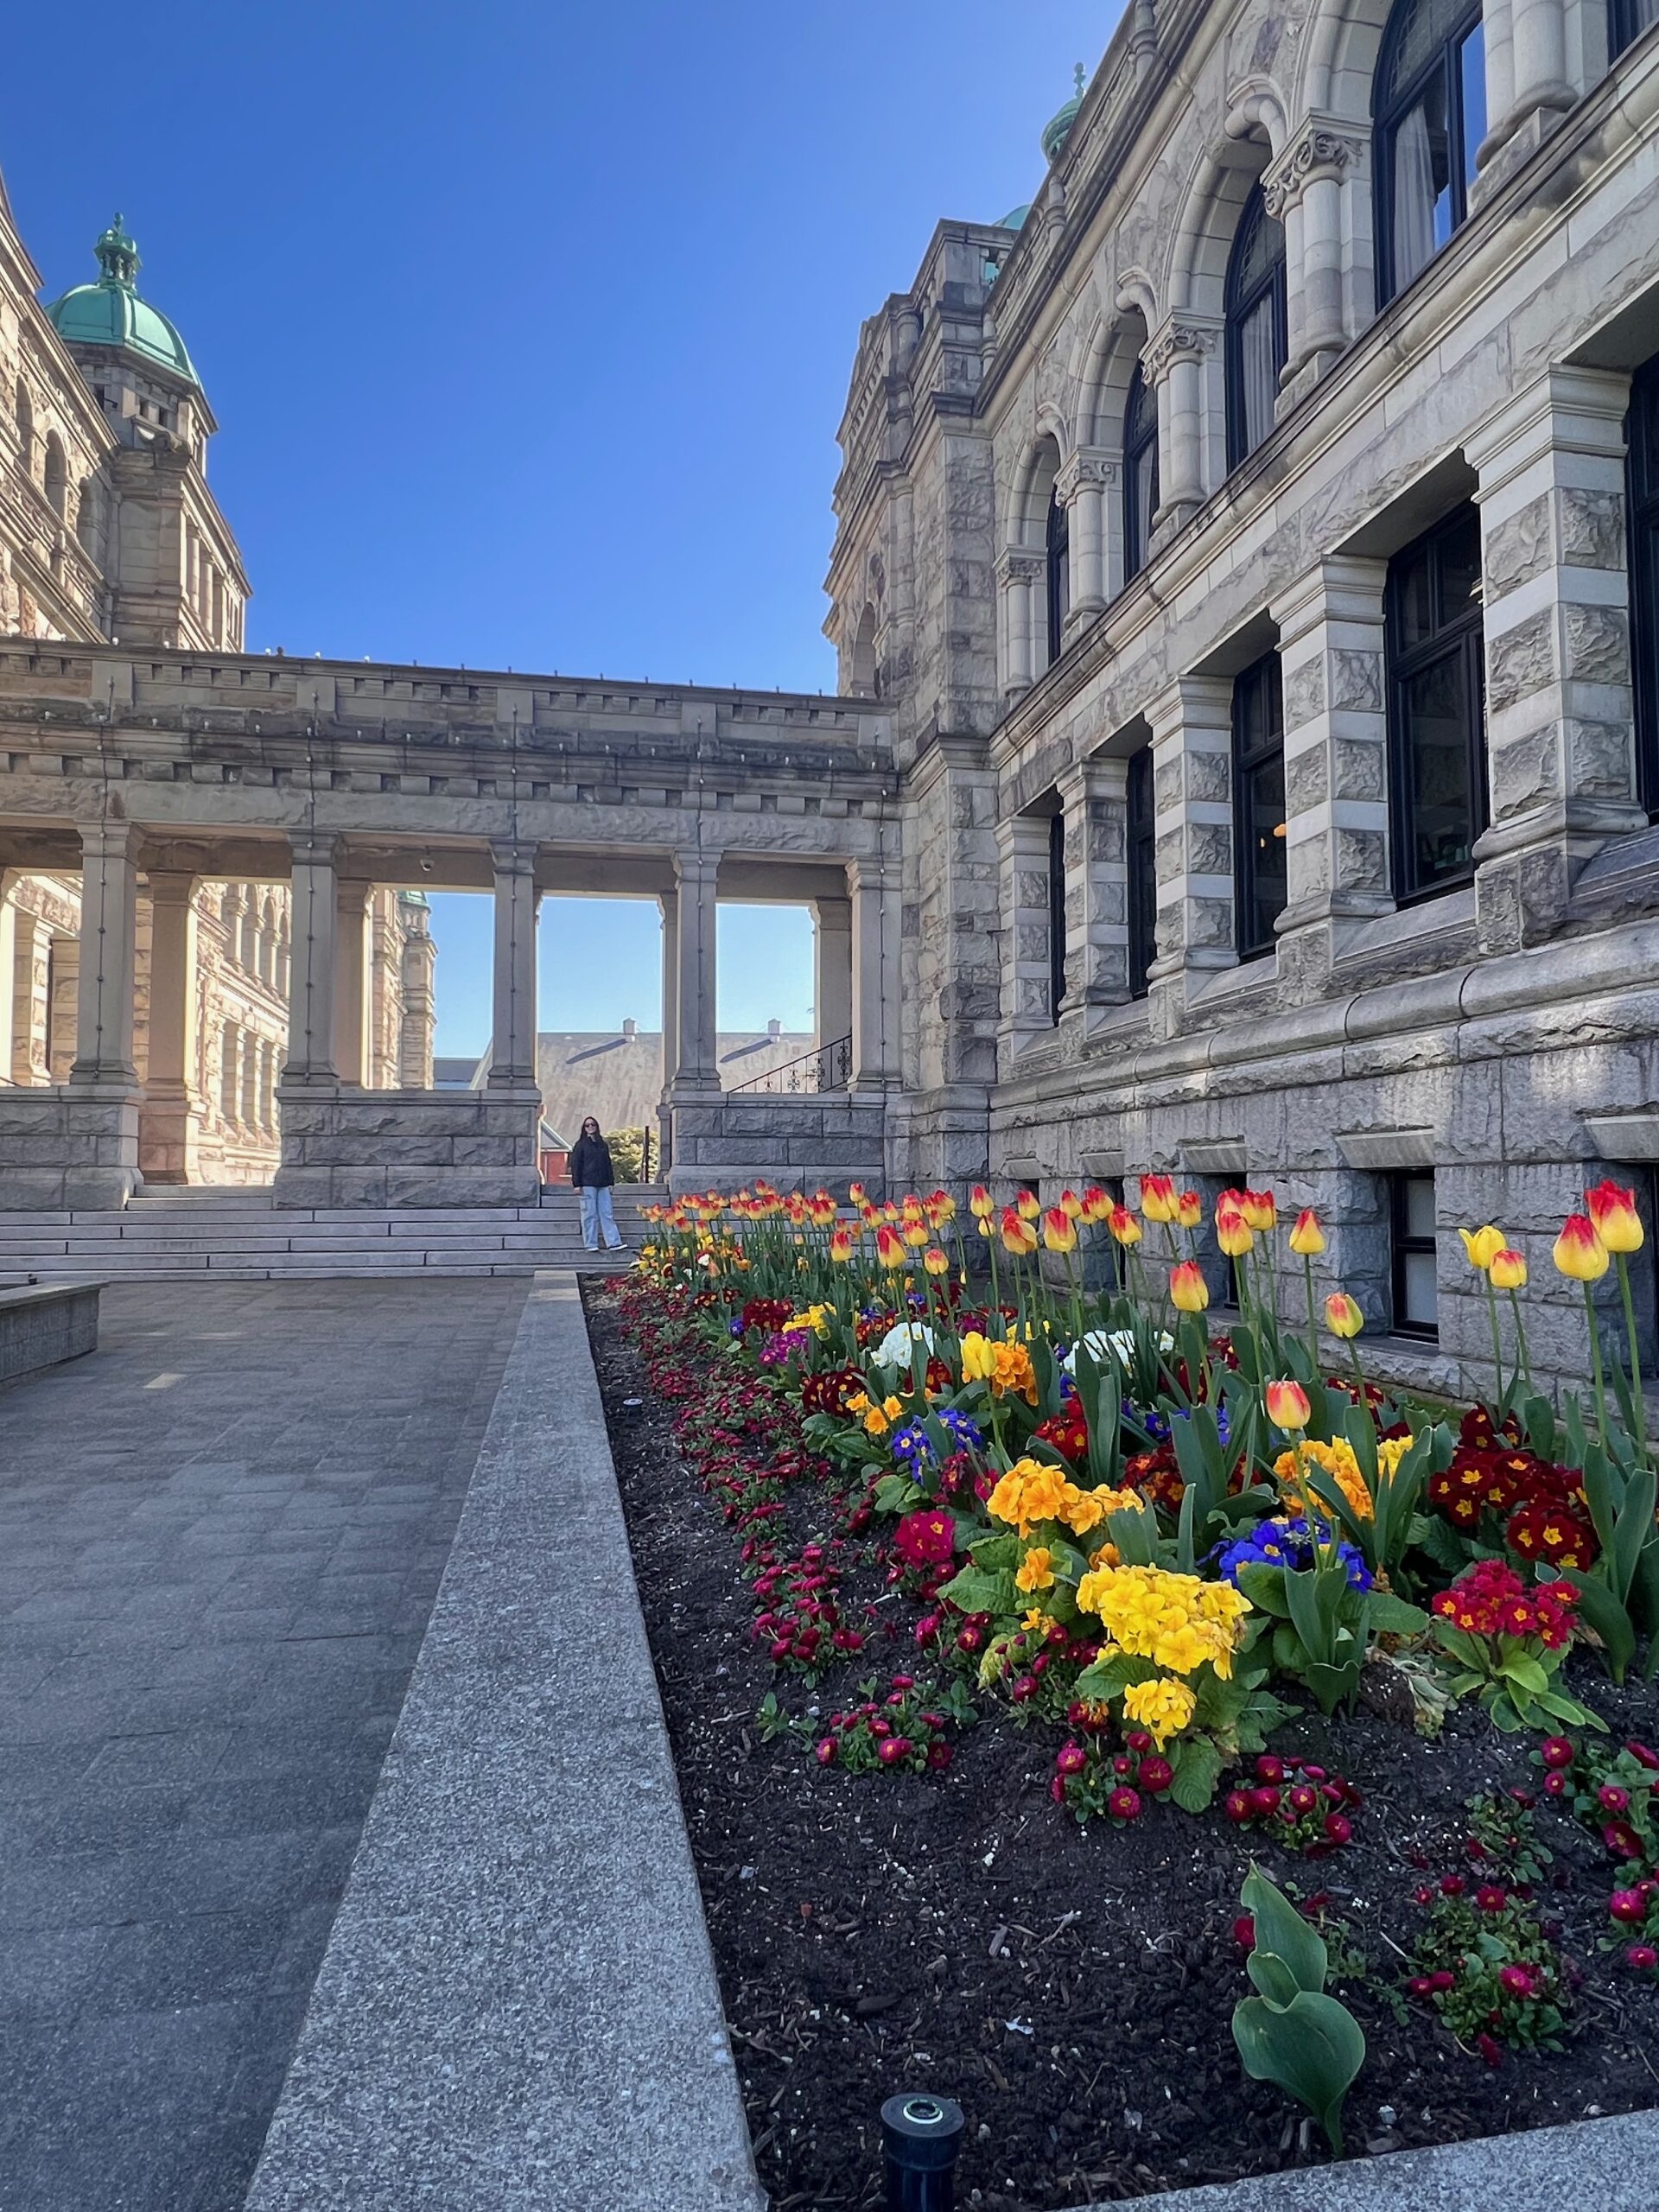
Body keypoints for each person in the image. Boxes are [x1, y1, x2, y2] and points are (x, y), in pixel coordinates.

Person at [567, 1116, 626, 1253]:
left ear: (597, 1126)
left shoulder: (602, 1144)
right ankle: (590, 1243)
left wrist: (611, 1182)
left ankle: (614, 1242)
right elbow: (576, 1165)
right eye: (587, 1125)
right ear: (584, 1128)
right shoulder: (580, 1145)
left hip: (603, 1184)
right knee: (589, 1214)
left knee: (607, 1213)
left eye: (593, 1124)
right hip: (587, 1184)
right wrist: (577, 1184)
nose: (590, 1127)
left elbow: (608, 1164)